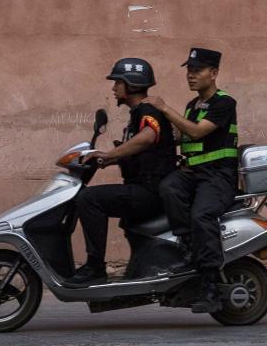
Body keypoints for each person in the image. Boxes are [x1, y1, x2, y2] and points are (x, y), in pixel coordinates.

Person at [66, 58, 178, 287]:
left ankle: (95, 266)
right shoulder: (138, 113)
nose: (114, 89)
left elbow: (149, 137)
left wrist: (110, 154)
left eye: (117, 83)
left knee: (89, 199)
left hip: (150, 190)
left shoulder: (147, 111)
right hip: (145, 187)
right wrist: (107, 160)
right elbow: (144, 151)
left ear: (132, 85)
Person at [144, 47, 239, 313]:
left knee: (202, 215)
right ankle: (187, 247)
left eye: (197, 71)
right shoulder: (192, 105)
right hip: (194, 175)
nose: (190, 76)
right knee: (168, 187)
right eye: (189, 70)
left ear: (214, 73)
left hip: (218, 177)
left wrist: (165, 108)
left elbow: (197, 132)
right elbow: (183, 135)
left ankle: (210, 285)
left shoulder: (224, 102)